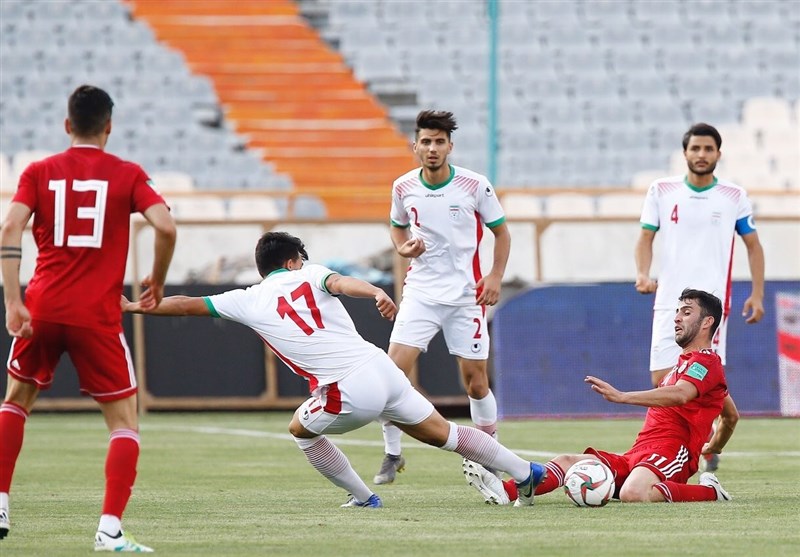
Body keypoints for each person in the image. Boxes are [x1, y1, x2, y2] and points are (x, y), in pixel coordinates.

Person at [121, 231, 546, 509]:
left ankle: (363, 498)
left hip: (349, 386)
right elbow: (342, 283)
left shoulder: (246, 298)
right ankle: (526, 473)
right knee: (445, 434)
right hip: (381, 368)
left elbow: (187, 305)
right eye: (302, 258)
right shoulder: (311, 272)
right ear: (292, 261)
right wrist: (377, 291)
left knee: (300, 431)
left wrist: (142, 306)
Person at [0, 85, 177, 552]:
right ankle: (109, 530)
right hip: (96, 315)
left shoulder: (38, 171)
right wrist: (155, 281)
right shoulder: (127, 173)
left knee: (16, 400)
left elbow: (9, 226)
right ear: (108, 127)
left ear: (66, 125)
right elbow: (166, 226)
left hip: (42, 306)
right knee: (124, 423)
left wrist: (12, 301)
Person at [464, 288, 739, 506]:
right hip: (638, 453)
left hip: (671, 454)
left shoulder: (707, 363)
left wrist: (622, 397)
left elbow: (681, 395)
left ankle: (708, 491)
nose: (677, 317)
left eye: (686, 312)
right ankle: (505, 491)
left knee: (633, 493)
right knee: (567, 462)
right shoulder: (684, 365)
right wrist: (713, 447)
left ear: (707, 322)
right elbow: (730, 414)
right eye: (677, 311)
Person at [375, 110, 511, 485]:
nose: (432, 148)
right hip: (421, 293)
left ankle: (488, 456)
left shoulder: (474, 185)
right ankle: (392, 452)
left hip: (467, 295)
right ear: (414, 145)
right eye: (426, 141)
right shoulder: (403, 187)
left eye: (439, 142)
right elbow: (397, 226)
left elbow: (502, 233)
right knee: (390, 374)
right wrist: (404, 248)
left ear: (450, 146)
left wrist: (495, 276)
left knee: (475, 383)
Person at [635, 122, 763, 472]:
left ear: (718, 154)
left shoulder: (734, 196)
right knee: (663, 378)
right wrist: (643, 273)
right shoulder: (661, 190)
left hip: (710, 305)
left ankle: (689, 447)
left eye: (708, 149)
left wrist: (758, 294)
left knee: (697, 376)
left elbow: (753, 245)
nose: (702, 155)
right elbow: (645, 237)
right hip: (669, 301)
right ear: (685, 153)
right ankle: (718, 429)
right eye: (696, 149)